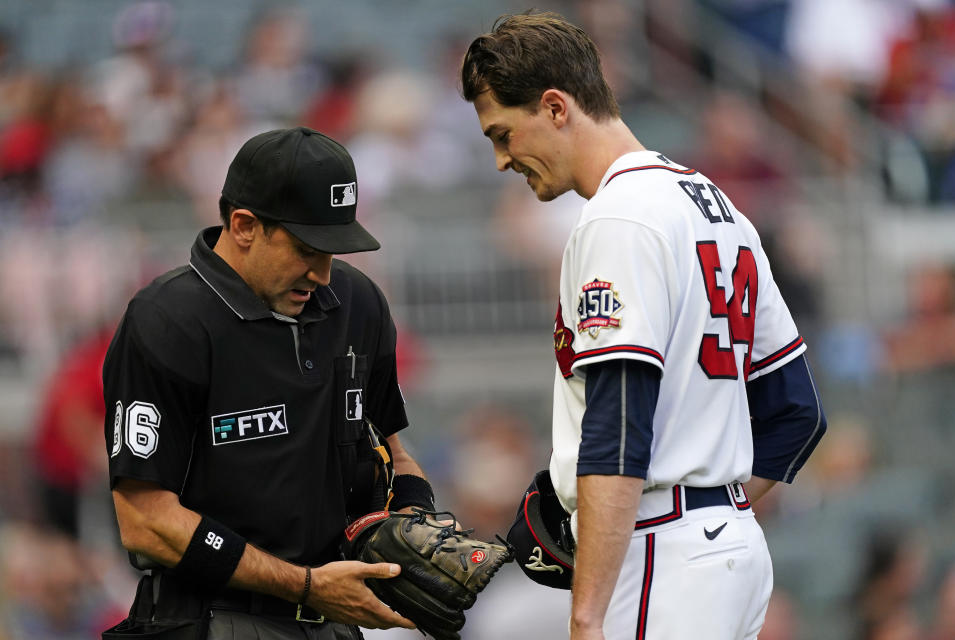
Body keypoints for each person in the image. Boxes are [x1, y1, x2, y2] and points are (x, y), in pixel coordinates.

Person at [460, 12, 827, 640]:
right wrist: (716, 508)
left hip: (660, 553)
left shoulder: (618, 218)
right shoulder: (716, 206)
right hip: (728, 551)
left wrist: (587, 613)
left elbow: (620, 419)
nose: (500, 160)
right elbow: (796, 412)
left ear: (555, 107)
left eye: (503, 134)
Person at [102, 127, 436, 639]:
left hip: (333, 616)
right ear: (243, 226)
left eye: (335, 249)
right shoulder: (168, 319)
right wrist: (302, 584)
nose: (323, 273)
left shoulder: (359, 304)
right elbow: (144, 518)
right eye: (307, 249)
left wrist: (415, 526)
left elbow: (393, 449)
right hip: (214, 618)